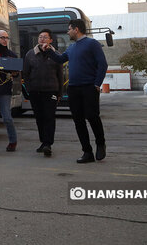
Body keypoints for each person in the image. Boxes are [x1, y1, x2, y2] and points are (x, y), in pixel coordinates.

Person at [42, 19, 108, 164]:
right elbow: (60, 60)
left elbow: (103, 64)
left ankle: (100, 143)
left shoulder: (92, 44)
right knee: (78, 121)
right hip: (73, 88)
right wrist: (48, 50)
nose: (68, 32)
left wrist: (97, 83)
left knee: (92, 116)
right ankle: (87, 151)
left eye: (69, 29)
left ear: (76, 30)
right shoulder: (71, 48)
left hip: (89, 87)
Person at [22, 28, 63, 157]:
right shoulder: (30, 54)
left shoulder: (56, 54)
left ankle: (48, 144)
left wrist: (59, 93)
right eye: (40, 37)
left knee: (49, 117)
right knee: (39, 117)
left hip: (51, 90)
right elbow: (26, 74)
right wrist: (29, 89)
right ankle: (43, 142)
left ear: (50, 40)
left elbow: (60, 75)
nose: (42, 39)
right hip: (35, 92)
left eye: (45, 37)